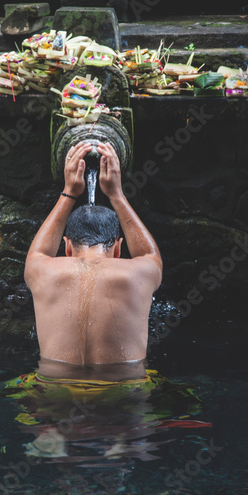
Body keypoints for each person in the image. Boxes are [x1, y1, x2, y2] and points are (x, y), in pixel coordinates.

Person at [24, 141, 162, 380]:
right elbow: (150, 255)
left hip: (54, 391)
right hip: (124, 394)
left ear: (67, 247)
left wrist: (69, 192)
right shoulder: (138, 272)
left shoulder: (42, 270)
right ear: (118, 249)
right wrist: (116, 195)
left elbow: (38, 251)